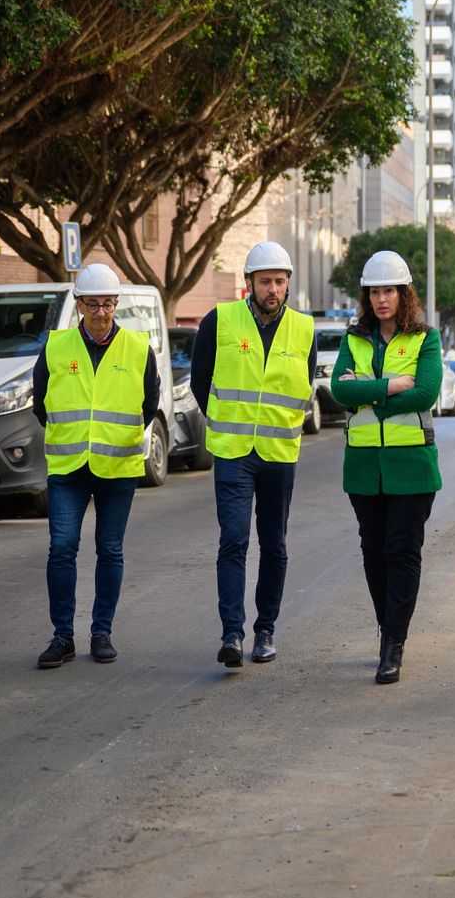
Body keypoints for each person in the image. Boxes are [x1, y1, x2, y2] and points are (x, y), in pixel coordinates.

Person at [189, 241, 316, 668]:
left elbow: (305, 387)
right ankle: (232, 634)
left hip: (280, 452)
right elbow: (200, 382)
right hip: (233, 452)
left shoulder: (303, 329)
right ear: (249, 284)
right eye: (265, 282)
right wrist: (225, 421)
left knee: (275, 544)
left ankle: (266, 630)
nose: (273, 289)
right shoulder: (219, 321)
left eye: (280, 282)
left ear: (288, 284)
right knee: (234, 540)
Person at [30, 263, 160, 668]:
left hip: (117, 467)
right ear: (79, 304)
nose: (101, 312)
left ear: (116, 304)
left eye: (107, 304)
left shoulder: (138, 349)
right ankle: (62, 636)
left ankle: (101, 632)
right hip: (68, 466)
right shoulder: (55, 346)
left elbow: (149, 403)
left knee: (110, 549)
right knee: (62, 548)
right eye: (93, 304)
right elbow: (41, 403)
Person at [328, 250, 442, 684]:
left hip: (410, 463)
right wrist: (390, 386)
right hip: (362, 466)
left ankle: (394, 642)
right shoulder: (353, 337)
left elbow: (426, 393)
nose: (381, 299)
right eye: (374, 291)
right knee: (373, 551)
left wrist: (368, 390)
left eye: (388, 290)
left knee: (402, 551)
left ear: (403, 293)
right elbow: (339, 389)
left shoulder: (424, 338)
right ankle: (386, 629)